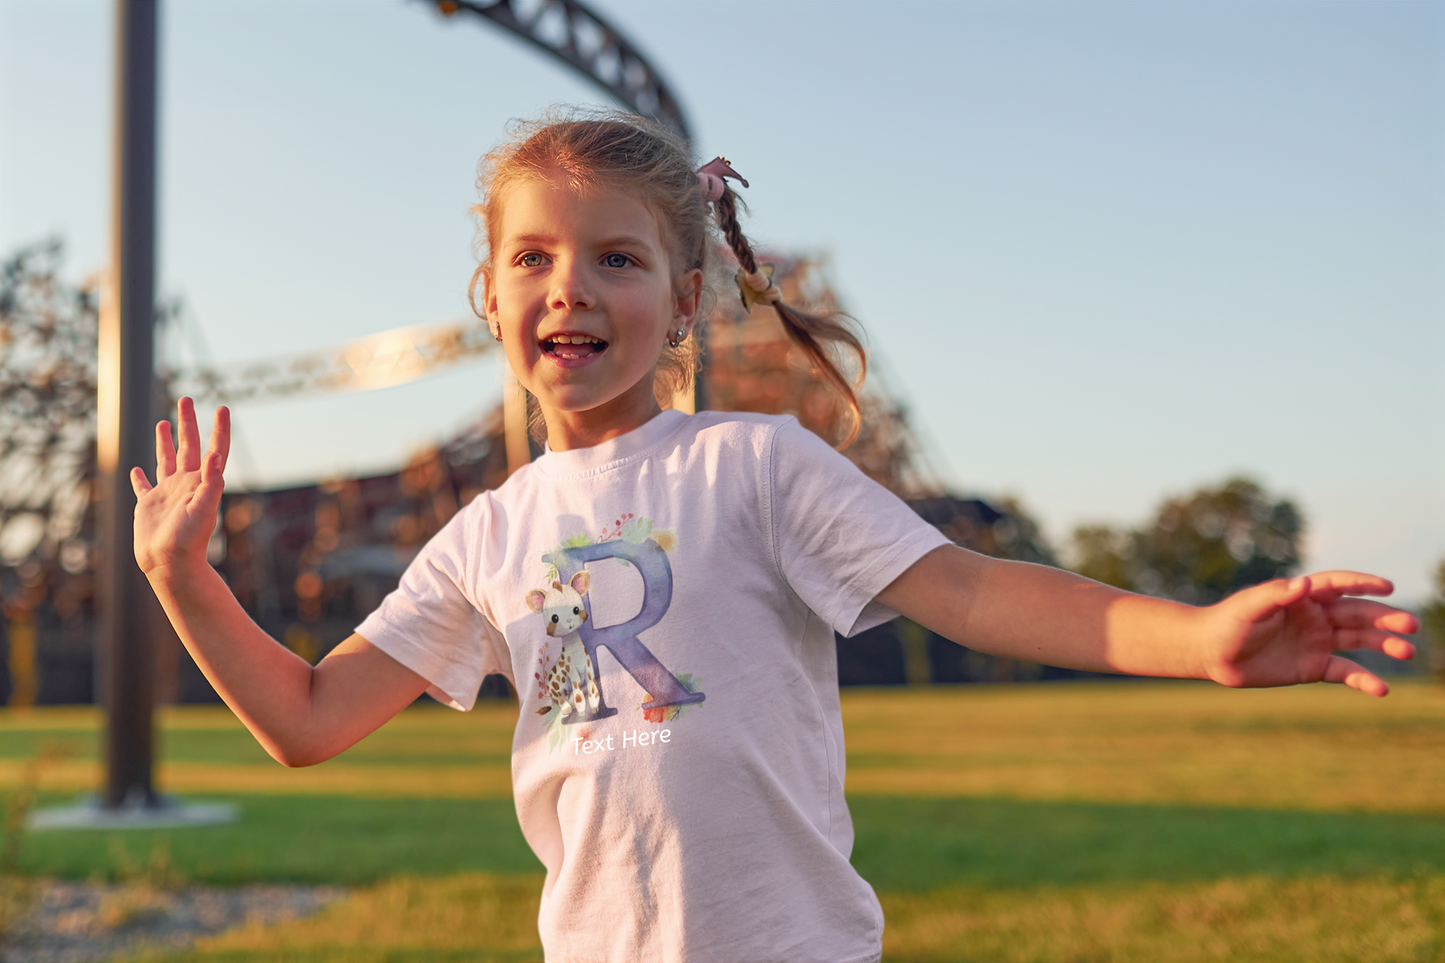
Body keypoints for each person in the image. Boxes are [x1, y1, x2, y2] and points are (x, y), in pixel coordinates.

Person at [130, 110, 1418, 963]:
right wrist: (180, 577)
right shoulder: (484, 534)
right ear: (493, 295)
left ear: (684, 301)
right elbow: (303, 721)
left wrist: (1197, 639)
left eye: (617, 260)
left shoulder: (754, 465)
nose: (571, 284)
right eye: (534, 258)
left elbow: (972, 592)